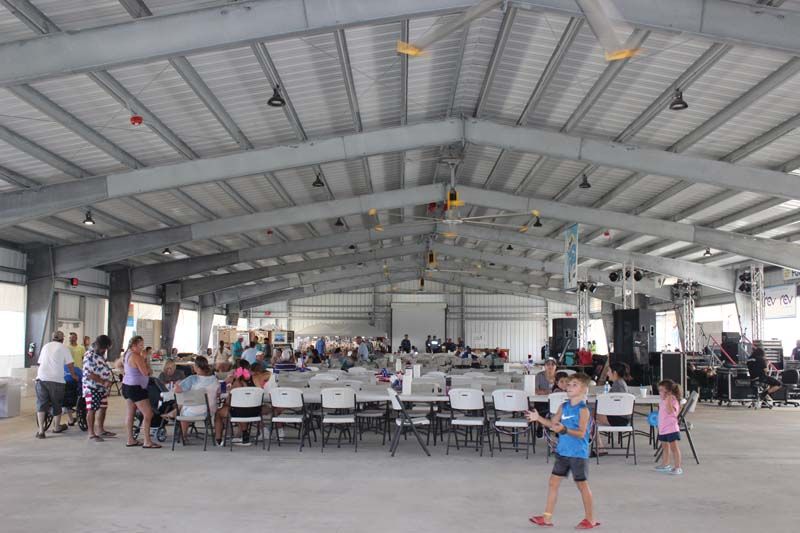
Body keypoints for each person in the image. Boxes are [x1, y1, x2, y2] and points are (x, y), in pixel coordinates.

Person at [526, 373, 598, 529]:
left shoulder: (583, 410)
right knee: (553, 483)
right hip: (563, 452)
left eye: (574, 385)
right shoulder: (563, 406)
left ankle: (590, 519)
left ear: (584, 389)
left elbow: (581, 433)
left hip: (578, 454)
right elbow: (552, 424)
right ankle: (547, 518)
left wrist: (564, 429)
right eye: (569, 384)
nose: (569, 387)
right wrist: (538, 418)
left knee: (582, 486)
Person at [35, 331, 77, 438]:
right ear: (62, 339)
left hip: (41, 378)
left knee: (41, 404)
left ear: (52, 338)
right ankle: (56, 427)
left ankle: (41, 431)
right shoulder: (63, 348)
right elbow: (70, 364)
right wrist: (73, 375)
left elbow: (39, 363)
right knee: (57, 403)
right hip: (56, 380)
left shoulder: (46, 346)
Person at [122, 336, 160, 449]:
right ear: (133, 346)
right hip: (136, 388)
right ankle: (147, 441)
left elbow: (118, 365)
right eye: (140, 345)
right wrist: (146, 363)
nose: (142, 348)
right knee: (148, 414)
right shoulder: (137, 357)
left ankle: (130, 439)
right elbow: (145, 372)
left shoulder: (126, 354)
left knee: (130, 413)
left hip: (127, 386)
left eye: (142, 345)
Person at [174, 356, 218, 439]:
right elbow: (218, 394)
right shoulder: (214, 379)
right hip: (209, 411)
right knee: (185, 407)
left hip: (192, 411)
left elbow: (177, 390)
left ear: (197, 367)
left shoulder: (192, 379)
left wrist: (177, 383)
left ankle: (183, 436)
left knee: (184, 411)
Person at [215, 360, 257, 446]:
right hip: (254, 411)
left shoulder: (233, 380)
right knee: (241, 407)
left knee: (218, 413)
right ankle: (244, 434)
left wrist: (226, 381)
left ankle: (218, 439)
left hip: (237, 412)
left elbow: (220, 390)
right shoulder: (254, 379)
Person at [82, 335, 115, 442]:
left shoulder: (100, 354)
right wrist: (103, 381)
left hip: (101, 388)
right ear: (99, 345)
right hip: (91, 387)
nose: (104, 350)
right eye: (104, 348)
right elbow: (89, 374)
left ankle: (100, 429)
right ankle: (91, 433)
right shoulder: (89, 355)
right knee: (92, 409)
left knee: (103, 407)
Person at [655, 379, 683, 476]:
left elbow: (672, 412)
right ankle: (665, 464)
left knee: (674, 448)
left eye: (662, 390)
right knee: (665, 447)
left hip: (671, 429)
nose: (660, 393)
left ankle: (678, 467)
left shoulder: (673, 400)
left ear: (669, 392)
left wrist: (668, 401)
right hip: (663, 428)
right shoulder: (662, 401)